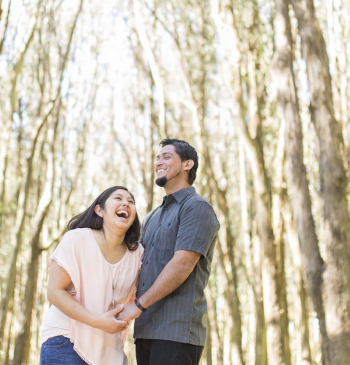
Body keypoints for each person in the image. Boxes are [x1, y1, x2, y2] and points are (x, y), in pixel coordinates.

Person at [117, 138, 220, 365]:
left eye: (166, 156)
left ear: (187, 164)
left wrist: (138, 305)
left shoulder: (196, 208)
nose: (158, 162)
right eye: (157, 158)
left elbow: (182, 265)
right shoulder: (151, 217)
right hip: (145, 331)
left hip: (177, 332)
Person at [39, 186, 144, 365]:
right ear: (99, 210)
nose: (125, 203)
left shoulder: (137, 253)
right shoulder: (77, 239)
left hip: (109, 353)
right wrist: (96, 321)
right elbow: (55, 292)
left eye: (131, 201)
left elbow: (136, 301)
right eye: (118, 198)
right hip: (66, 341)